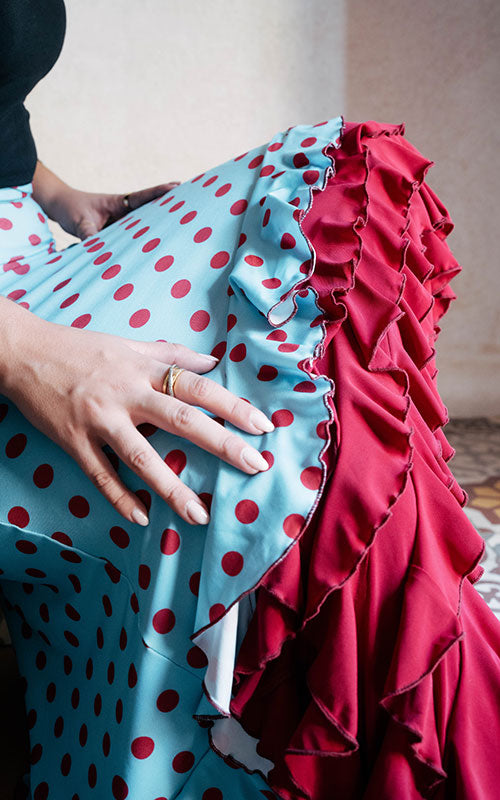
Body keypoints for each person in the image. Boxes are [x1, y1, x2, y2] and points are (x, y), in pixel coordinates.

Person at [1, 2, 500, 799]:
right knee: (238, 454)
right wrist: (30, 356)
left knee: (332, 239)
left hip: (25, 257)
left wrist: (62, 198)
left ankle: (428, 682)